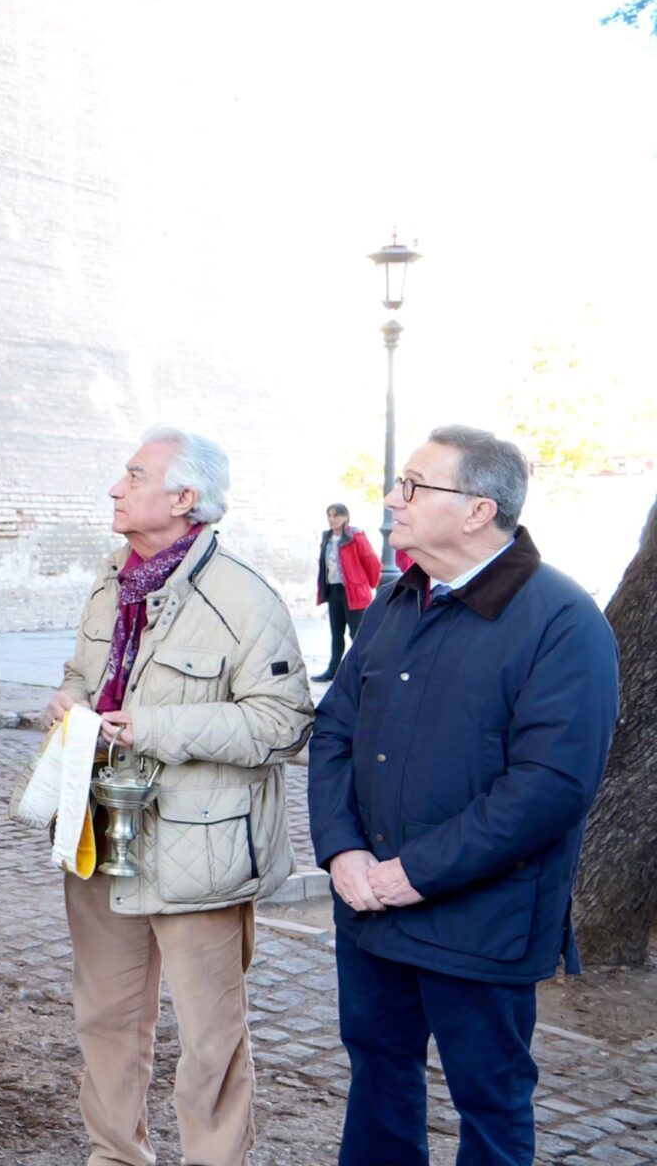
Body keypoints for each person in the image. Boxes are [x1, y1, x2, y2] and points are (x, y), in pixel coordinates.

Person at [309, 426, 618, 1166]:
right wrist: (343, 851)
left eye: (415, 485)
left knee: (489, 1101)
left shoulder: (563, 621)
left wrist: (412, 873)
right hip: (371, 909)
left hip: (484, 922)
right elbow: (334, 736)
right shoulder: (394, 601)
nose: (392, 498)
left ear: (479, 510)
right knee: (378, 1077)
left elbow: (550, 788)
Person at [44, 427, 313, 1166]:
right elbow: (82, 671)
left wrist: (156, 727)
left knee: (210, 1040)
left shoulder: (244, 598)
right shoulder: (111, 580)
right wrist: (69, 702)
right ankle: (115, 1156)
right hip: (99, 836)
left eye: (134, 475)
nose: (115, 487)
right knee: (103, 1018)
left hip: (201, 851)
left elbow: (286, 723)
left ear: (185, 498)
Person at [312, 502, 382, 681]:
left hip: (353, 592)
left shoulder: (355, 537)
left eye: (336, 515)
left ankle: (366, 670)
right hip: (334, 591)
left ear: (345, 517)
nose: (332, 519)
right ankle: (332, 671)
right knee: (336, 633)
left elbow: (371, 562)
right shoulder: (326, 537)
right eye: (329, 515)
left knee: (356, 634)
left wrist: (368, 586)